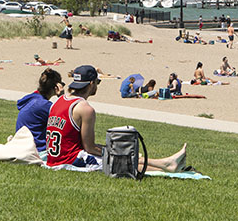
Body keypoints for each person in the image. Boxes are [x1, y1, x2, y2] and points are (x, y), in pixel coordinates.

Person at [44, 65, 187, 171]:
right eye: (97, 83)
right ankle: (165, 169)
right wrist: (117, 152)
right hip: (69, 161)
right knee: (125, 163)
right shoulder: (85, 109)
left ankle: (166, 163)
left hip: (55, 158)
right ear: (91, 84)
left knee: (121, 156)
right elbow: (90, 148)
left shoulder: (60, 101)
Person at [16, 68, 63, 152]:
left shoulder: (31, 99)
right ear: (56, 87)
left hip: (22, 145)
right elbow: (66, 120)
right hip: (36, 149)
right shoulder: (43, 105)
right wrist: (62, 97)